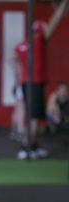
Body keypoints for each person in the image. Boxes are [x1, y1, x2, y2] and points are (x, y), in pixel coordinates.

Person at [13, 0, 69, 159]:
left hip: (26, 82)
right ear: (40, 31)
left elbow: (12, 57)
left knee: (31, 115)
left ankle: (33, 146)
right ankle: (26, 148)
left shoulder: (24, 44)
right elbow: (55, 22)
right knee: (34, 118)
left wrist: (21, 69)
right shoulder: (38, 40)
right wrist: (64, 3)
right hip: (34, 82)